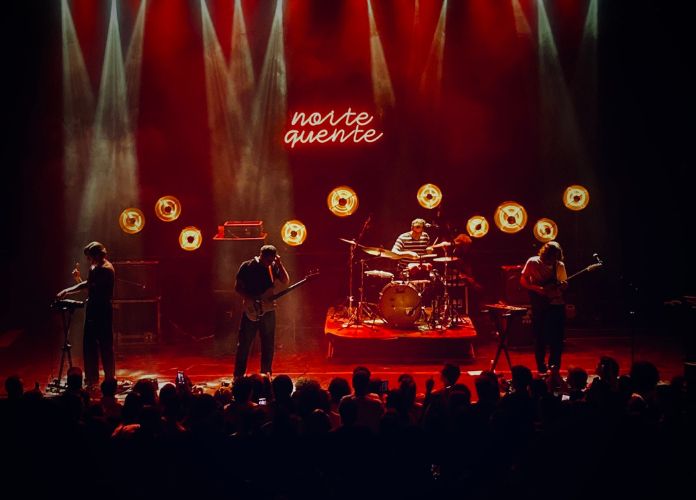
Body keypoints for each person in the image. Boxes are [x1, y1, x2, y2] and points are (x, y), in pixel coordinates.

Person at [57, 241, 115, 388]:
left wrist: (69, 289)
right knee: (90, 345)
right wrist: (72, 286)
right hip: (94, 309)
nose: (88, 259)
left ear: (96, 255)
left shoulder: (105, 269)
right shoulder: (95, 267)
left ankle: (108, 378)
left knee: (104, 345)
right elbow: (89, 285)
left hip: (101, 310)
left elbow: (89, 287)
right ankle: (92, 378)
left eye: (89, 256)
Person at [233, 244, 289, 379]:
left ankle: (266, 374)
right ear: (261, 256)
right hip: (251, 311)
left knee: (268, 344)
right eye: (267, 260)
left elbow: (285, 281)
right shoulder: (247, 266)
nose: (269, 263)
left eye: (272, 260)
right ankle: (238, 376)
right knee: (244, 345)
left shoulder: (272, 267)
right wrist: (251, 299)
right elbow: (237, 287)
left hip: (268, 311)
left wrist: (279, 264)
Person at [519, 241, 568, 376]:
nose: (553, 260)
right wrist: (536, 288)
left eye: (556, 257)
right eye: (551, 257)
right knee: (539, 337)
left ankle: (554, 368)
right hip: (540, 305)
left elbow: (564, 286)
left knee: (557, 339)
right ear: (545, 254)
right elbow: (523, 280)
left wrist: (562, 285)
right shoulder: (533, 262)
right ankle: (541, 367)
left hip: (556, 304)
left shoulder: (559, 265)